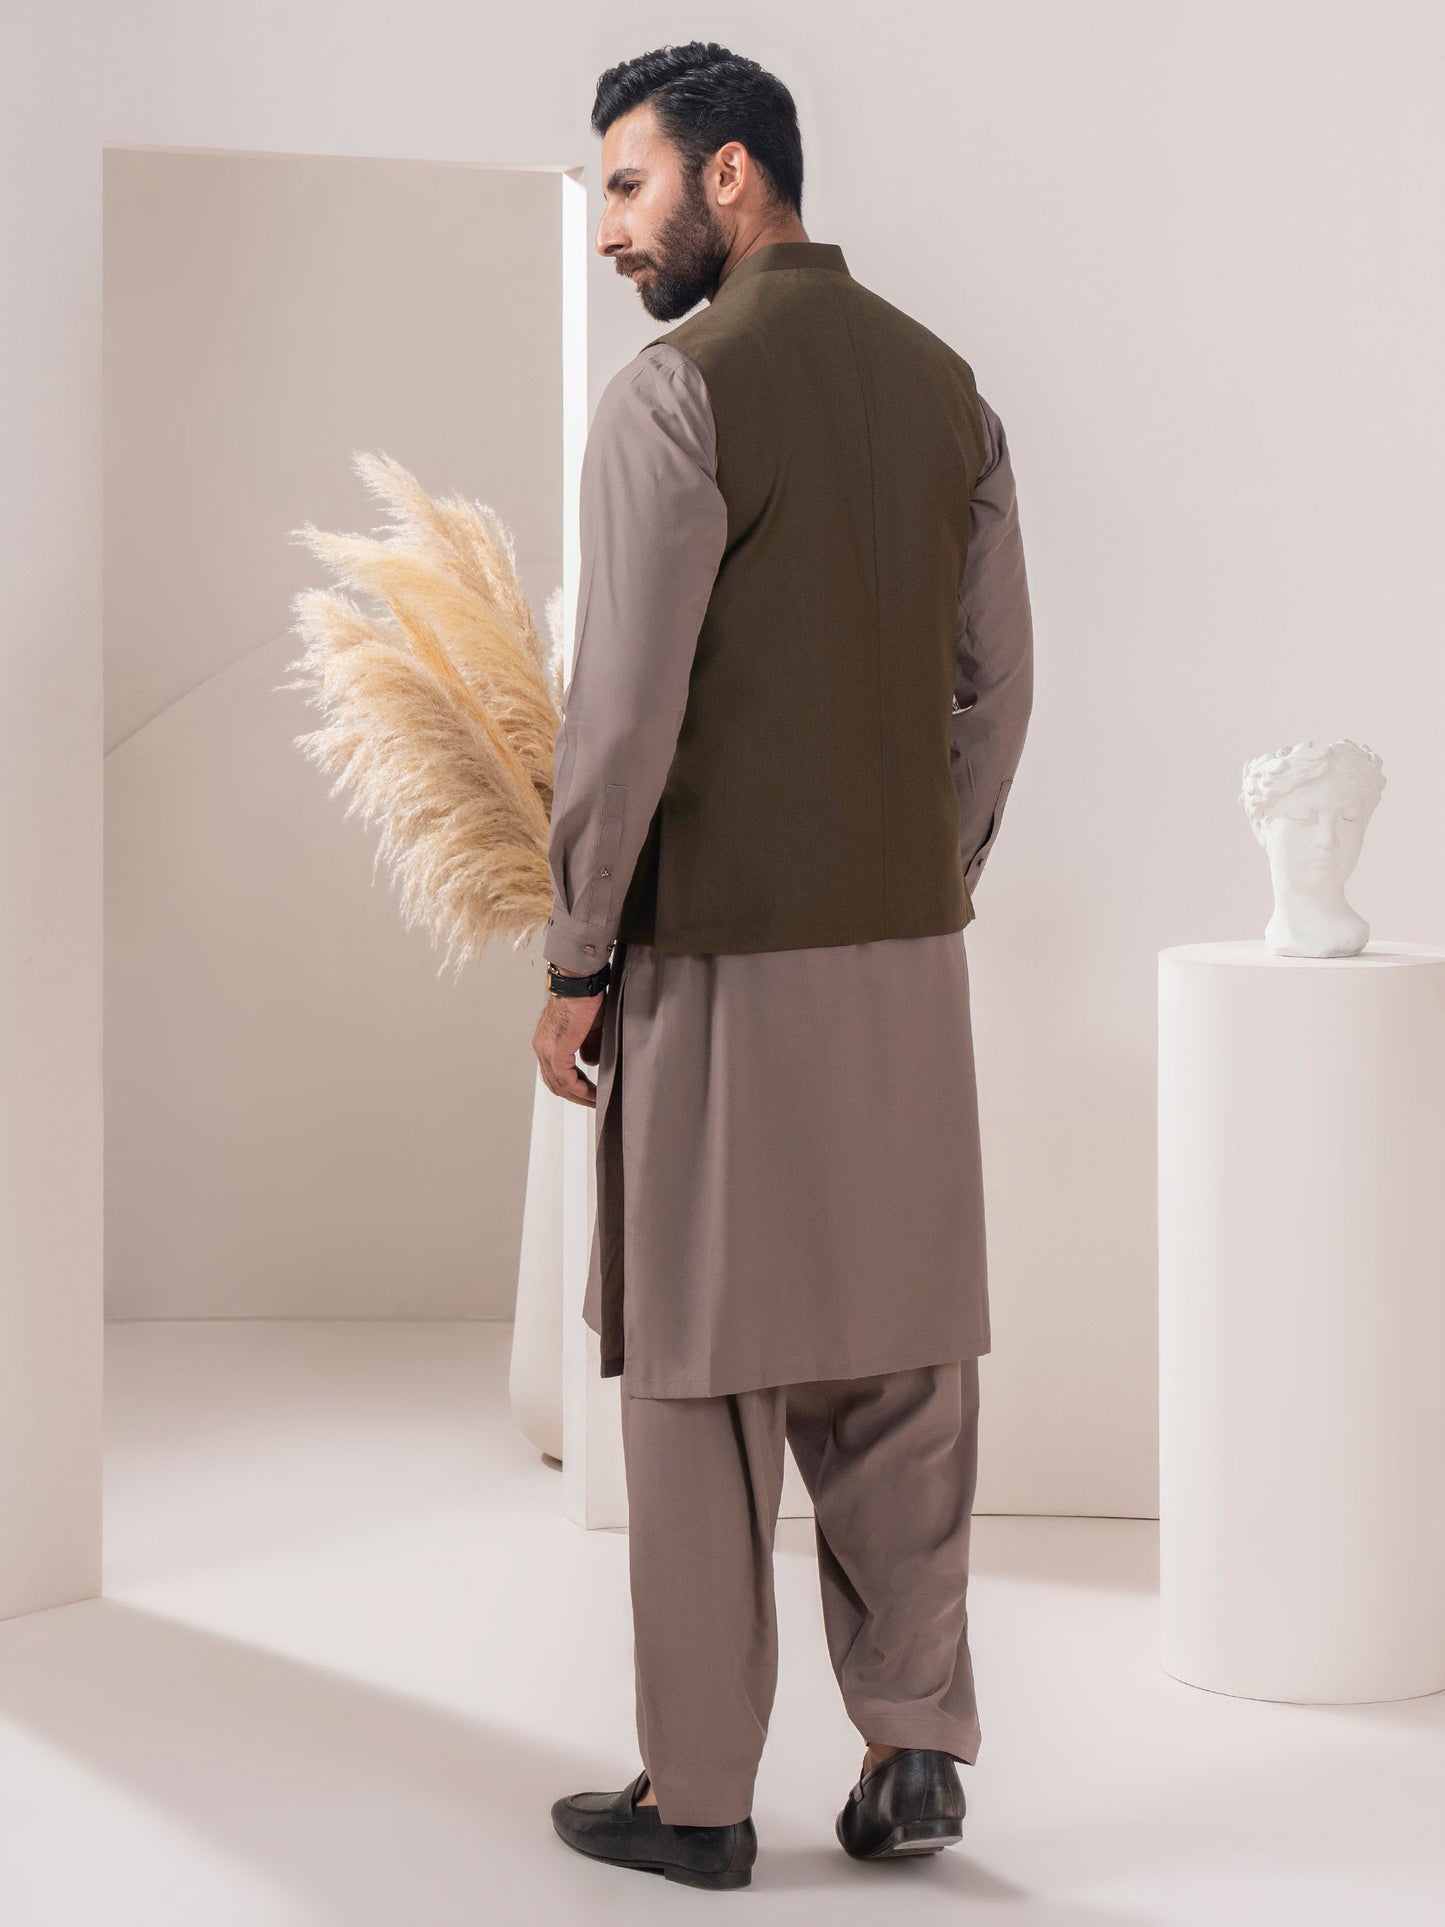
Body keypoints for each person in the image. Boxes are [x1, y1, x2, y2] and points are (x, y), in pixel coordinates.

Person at [532, 40, 1033, 1893]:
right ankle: (914, 1754)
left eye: (628, 186)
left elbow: (621, 713)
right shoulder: (947, 391)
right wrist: (921, 874)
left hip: (718, 960)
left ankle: (697, 1797)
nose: (610, 231)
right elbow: (997, 692)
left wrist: (577, 949)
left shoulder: (675, 396)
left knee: (700, 1371)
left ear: (730, 174)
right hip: (905, 965)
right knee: (900, 1356)